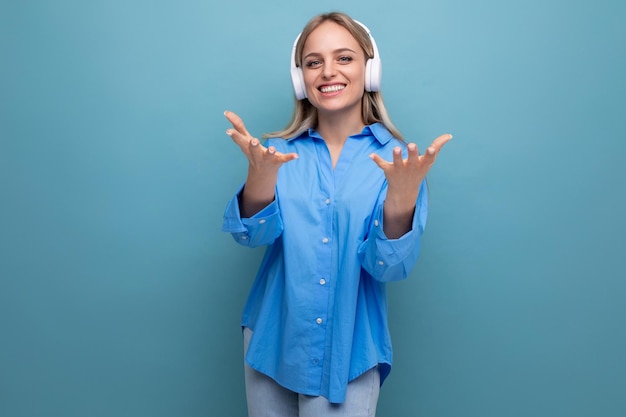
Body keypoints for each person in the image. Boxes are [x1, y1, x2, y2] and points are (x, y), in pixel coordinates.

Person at [222, 11, 451, 417]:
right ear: (300, 78)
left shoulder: (398, 162)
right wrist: (260, 177)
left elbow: (388, 268)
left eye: (344, 58)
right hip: (271, 338)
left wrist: (400, 198)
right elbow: (249, 237)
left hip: (351, 348)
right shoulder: (276, 153)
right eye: (314, 62)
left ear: (370, 70)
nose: (328, 71)